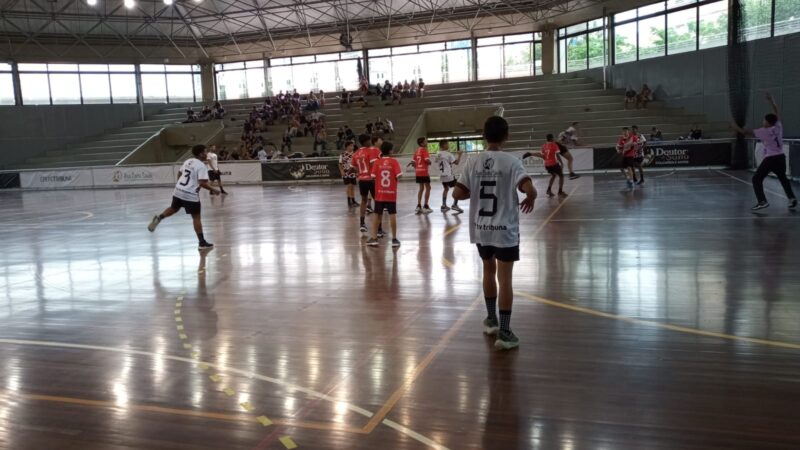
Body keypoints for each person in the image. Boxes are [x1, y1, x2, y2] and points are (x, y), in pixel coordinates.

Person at [452, 116, 536, 351]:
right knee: (505, 279)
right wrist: (530, 196)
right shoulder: (511, 162)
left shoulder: (472, 161)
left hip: (481, 229)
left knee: (488, 271)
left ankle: (491, 320)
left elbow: (457, 194)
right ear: (506, 136)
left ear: (484, 136)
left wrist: (476, 193)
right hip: (504, 230)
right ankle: (505, 332)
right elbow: (528, 187)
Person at [731, 93, 797, 211]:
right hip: (781, 157)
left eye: (764, 120)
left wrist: (735, 127)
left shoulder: (764, 131)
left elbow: (746, 132)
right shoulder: (778, 126)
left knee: (756, 179)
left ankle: (762, 201)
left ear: (768, 122)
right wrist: (771, 100)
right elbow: (776, 112)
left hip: (771, 158)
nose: (763, 122)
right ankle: (792, 198)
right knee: (783, 178)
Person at [147, 145, 218, 250]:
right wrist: (214, 189)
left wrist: (180, 184)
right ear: (200, 154)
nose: (207, 154)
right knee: (196, 218)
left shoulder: (188, 161)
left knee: (173, 208)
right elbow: (202, 183)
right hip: (190, 194)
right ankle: (202, 243)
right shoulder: (202, 166)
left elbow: (180, 172)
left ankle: (159, 218)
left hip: (178, 190)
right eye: (205, 152)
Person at [366, 141, 403, 248]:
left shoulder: (377, 162)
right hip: (391, 193)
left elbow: (372, 176)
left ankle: (374, 238)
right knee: (392, 215)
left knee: (377, 215)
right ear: (390, 150)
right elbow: (399, 175)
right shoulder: (394, 162)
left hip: (380, 194)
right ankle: (394, 239)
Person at [353, 134, 381, 233]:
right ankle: (379, 228)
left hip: (361, 180)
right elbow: (374, 165)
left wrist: (359, 173)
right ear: (365, 142)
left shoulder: (356, 153)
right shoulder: (371, 151)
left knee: (363, 200)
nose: (370, 142)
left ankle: (362, 223)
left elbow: (354, 167)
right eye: (369, 140)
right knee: (378, 202)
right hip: (371, 179)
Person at [436, 139, 464, 213]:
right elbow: (457, 162)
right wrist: (460, 155)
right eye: (447, 144)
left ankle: (444, 205)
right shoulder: (448, 154)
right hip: (449, 175)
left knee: (446, 189)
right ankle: (455, 205)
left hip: (442, 175)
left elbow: (438, 161)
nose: (448, 145)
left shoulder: (438, 154)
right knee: (457, 188)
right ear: (444, 145)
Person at [408, 137, 432, 214]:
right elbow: (427, 160)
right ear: (422, 143)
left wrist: (417, 166)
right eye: (425, 141)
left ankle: (418, 205)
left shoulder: (417, 151)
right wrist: (430, 162)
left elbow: (413, 162)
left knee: (421, 188)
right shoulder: (424, 150)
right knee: (428, 187)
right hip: (424, 172)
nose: (426, 142)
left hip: (418, 172)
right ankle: (425, 206)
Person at [338, 141, 359, 208]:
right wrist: (341, 171)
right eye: (350, 146)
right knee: (349, 186)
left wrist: (357, 172)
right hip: (346, 173)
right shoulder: (343, 154)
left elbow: (356, 164)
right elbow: (340, 163)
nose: (352, 147)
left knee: (352, 187)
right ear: (347, 146)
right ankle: (349, 201)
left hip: (353, 172)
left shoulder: (355, 154)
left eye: (352, 146)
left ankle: (353, 200)